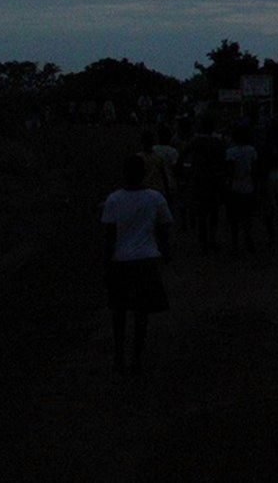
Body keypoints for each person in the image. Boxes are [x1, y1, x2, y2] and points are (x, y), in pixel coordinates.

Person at [101, 154, 172, 375]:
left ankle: (120, 356)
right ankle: (136, 358)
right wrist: (165, 252)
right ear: (144, 174)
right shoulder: (155, 198)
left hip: (121, 260)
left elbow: (109, 235)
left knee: (119, 311)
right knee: (141, 313)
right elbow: (164, 227)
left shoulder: (113, 200)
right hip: (146, 258)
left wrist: (107, 263)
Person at [187, 116, 228, 253]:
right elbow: (224, 161)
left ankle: (203, 240)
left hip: (200, 179)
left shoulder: (196, 141)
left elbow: (183, 155)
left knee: (202, 212)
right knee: (214, 212)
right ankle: (211, 239)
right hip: (214, 179)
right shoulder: (218, 142)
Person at [225, 123, 259, 251]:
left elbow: (230, 171)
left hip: (235, 186)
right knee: (247, 216)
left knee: (234, 218)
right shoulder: (251, 150)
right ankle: (248, 238)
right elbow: (255, 170)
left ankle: (235, 242)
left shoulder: (230, 152)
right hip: (248, 185)